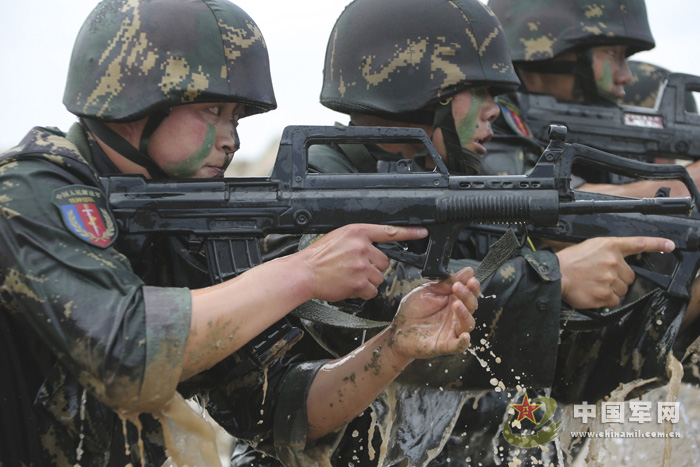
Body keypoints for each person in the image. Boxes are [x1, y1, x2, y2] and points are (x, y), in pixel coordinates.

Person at [0, 1, 485, 466]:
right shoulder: (30, 191)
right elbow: (126, 354)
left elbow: (277, 411)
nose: (231, 138)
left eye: (234, 118)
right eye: (212, 111)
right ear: (136, 101)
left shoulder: (174, 220)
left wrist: (394, 346)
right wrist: (302, 273)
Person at [251, 0, 684, 465]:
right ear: (418, 90)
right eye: (479, 91)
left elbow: (550, 359)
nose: (495, 112)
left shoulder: (444, 187)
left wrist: (678, 297)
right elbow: (370, 300)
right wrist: (553, 277)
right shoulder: (314, 186)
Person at [485, 0, 700, 198]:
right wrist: (686, 185)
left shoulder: (577, 124)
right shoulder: (488, 116)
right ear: (548, 51)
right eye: (611, 53)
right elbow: (541, 206)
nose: (626, 76)